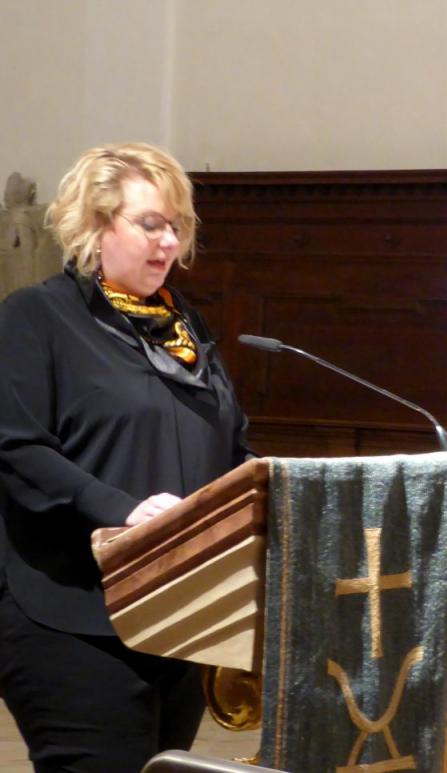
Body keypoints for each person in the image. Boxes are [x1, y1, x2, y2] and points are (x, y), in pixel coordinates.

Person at [0, 143, 251, 772]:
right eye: (150, 223)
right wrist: (124, 511)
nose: (169, 242)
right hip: (72, 614)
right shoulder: (38, 316)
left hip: (175, 613)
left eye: (177, 226)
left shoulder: (184, 327)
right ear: (94, 223)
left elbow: (230, 447)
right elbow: (17, 447)